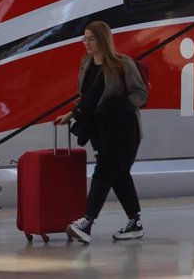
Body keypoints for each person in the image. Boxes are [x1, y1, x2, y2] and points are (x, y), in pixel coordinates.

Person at [55, 20, 147, 244]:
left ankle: (87, 222)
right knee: (118, 174)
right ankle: (135, 222)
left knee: (105, 170)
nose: (86, 43)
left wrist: (122, 107)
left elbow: (140, 94)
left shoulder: (122, 64)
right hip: (100, 129)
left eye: (91, 38)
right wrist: (72, 114)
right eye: (84, 38)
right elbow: (87, 98)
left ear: (103, 39)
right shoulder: (86, 64)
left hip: (123, 129)